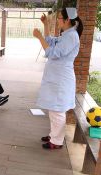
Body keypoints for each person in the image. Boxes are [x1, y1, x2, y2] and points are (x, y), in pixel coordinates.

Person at [33, 8, 83, 149]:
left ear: (67, 20)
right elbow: (51, 42)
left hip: (61, 79)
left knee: (58, 110)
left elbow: (53, 53)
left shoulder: (72, 36)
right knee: (53, 109)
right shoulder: (66, 35)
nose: (58, 20)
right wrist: (46, 25)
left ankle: (57, 141)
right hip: (56, 78)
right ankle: (53, 134)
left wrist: (39, 37)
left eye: (59, 18)